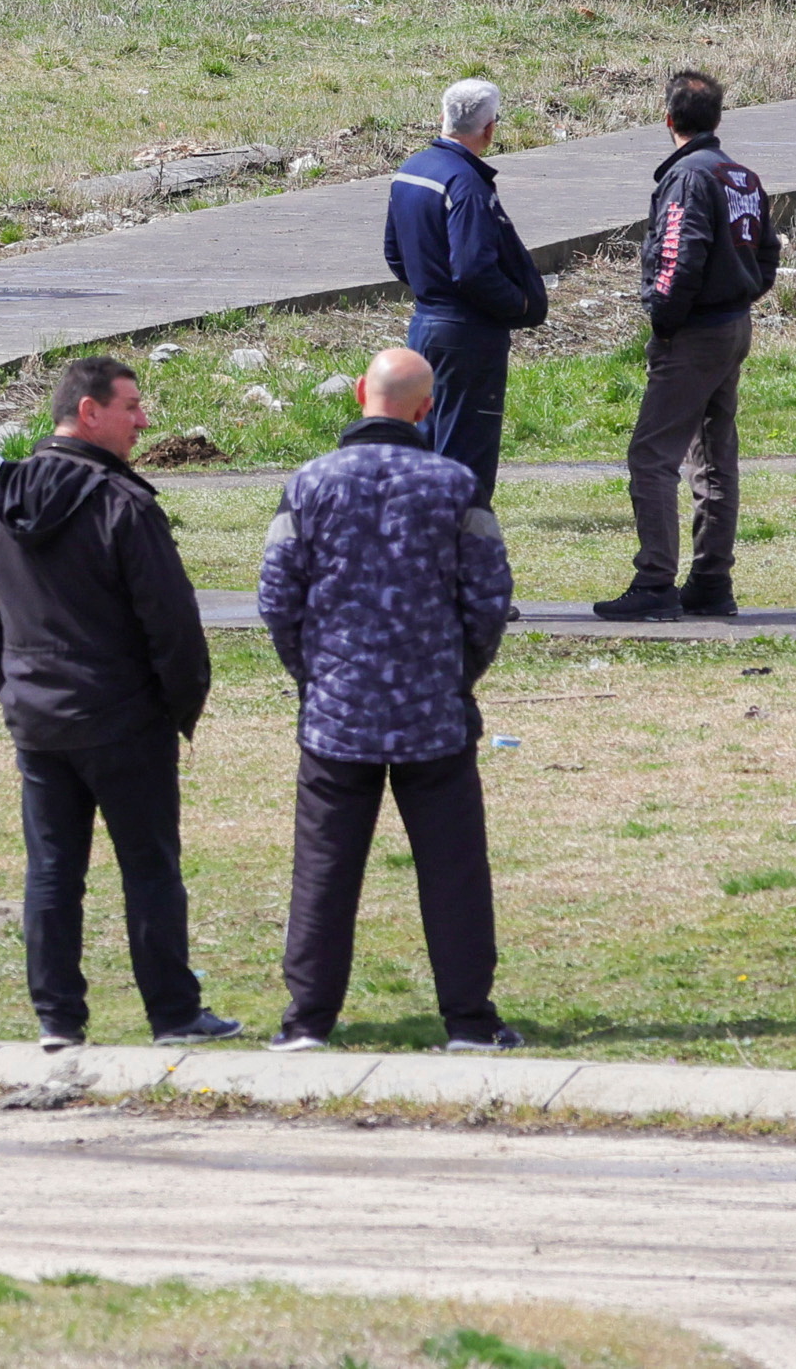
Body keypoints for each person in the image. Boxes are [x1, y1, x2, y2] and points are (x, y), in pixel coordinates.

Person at [0, 352, 235, 1051]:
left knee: (53, 869)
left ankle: (58, 1019)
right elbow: (173, 626)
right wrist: (178, 707)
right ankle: (173, 1014)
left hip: (40, 719)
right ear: (89, 411)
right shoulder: (124, 504)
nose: (144, 420)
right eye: (132, 406)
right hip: (123, 719)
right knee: (149, 867)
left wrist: (14, 688)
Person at [256, 343, 519, 1054]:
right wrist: (458, 674)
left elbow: (276, 597)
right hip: (433, 713)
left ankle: (307, 1021)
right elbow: (490, 598)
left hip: (336, 714)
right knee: (454, 871)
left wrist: (313, 676)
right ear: (426, 408)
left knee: (324, 871)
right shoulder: (456, 485)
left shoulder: (308, 484)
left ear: (357, 398)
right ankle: (469, 1021)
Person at [597, 72, 773, 623]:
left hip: (695, 331)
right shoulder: (740, 176)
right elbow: (767, 253)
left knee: (651, 456)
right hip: (733, 324)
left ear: (668, 119)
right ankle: (711, 581)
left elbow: (678, 254)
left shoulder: (687, 179)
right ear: (717, 119)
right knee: (714, 455)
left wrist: (664, 320)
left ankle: (655, 582)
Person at [380, 80, 543, 500]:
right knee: (465, 451)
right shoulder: (465, 184)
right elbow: (473, 270)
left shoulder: (410, 171)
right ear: (489, 128)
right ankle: (458, 543)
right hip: (468, 334)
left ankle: (417, 534)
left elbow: (395, 255)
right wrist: (519, 305)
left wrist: (429, 287)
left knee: (425, 441)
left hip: (424, 326)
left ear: (442, 117)